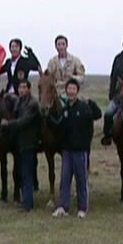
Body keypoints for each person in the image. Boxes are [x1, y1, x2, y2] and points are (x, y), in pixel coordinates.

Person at [49, 78, 102, 219]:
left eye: (73, 89)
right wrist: (49, 118)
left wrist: (91, 103)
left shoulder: (84, 108)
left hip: (80, 151)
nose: (71, 91)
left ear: (77, 91)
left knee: (81, 180)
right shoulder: (65, 110)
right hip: (66, 151)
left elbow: (97, 115)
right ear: (66, 91)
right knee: (65, 179)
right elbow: (59, 126)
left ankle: (82, 208)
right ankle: (63, 207)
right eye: (69, 89)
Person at [0, 79, 41, 212]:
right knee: (22, 173)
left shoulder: (33, 104)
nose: (22, 90)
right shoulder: (19, 101)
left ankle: (27, 204)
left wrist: (8, 123)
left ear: (29, 89)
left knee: (26, 174)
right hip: (20, 143)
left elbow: (24, 121)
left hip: (29, 143)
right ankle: (26, 200)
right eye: (20, 87)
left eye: (24, 87)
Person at [46, 34, 86, 100]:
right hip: (56, 93)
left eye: (63, 44)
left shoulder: (75, 60)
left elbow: (82, 77)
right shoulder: (52, 62)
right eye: (58, 44)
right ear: (56, 46)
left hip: (72, 92)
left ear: (67, 45)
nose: (61, 47)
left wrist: (72, 77)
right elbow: (48, 79)